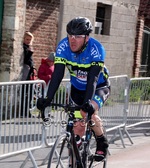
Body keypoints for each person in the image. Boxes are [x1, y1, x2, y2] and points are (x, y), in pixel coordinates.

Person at [37, 17, 110, 161]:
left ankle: (102, 141)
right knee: (76, 127)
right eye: (70, 35)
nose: (72, 39)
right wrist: (47, 99)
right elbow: (57, 75)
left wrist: (88, 102)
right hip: (77, 88)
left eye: (77, 36)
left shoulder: (96, 49)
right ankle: (76, 155)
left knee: (88, 113)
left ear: (87, 38)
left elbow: (93, 79)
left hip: (98, 87)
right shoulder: (63, 47)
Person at [21, 31, 35, 117]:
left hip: (30, 73)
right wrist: (30, 52)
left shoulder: (29, 47)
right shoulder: (23, 48)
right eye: (27, 39)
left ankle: (28, 111)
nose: (28, 41)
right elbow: (25, 59)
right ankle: (23, 111)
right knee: (24, 93)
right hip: (25, 73)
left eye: (30, 40)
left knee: (30, 93)